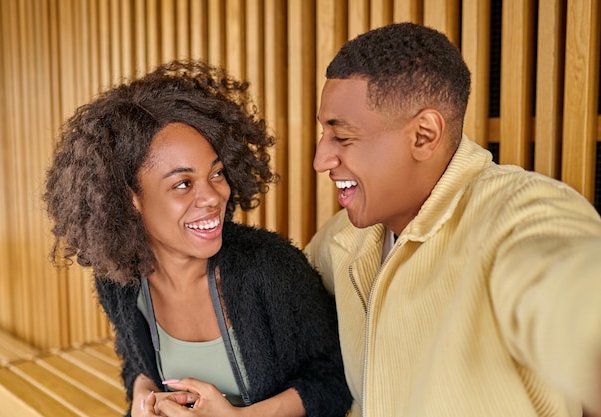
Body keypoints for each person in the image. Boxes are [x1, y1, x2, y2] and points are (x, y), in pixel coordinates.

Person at [305, 22, 601, 417]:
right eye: (324, 134)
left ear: (424, 135)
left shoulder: (521, 214)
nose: (320, 160)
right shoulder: (343, 239)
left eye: (341, 138)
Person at [43, 59, 351, 417]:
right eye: (183, 183)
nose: (212, 197)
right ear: (132, 198)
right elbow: (137, 363)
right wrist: (144, 396)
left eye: (216, 174)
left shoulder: (270, 268)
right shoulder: (120, 279)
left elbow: (333, 381)